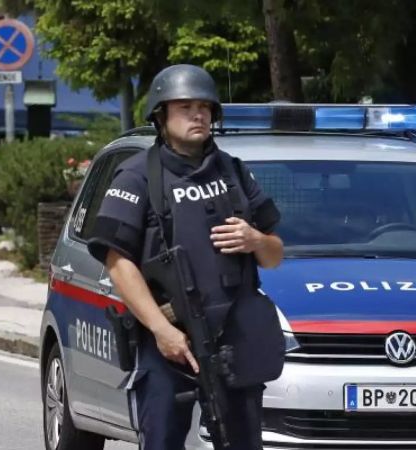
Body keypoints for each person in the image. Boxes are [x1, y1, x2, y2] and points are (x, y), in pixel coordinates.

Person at [86, 64, 286, 450]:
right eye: (185, 107)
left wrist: (256, 239)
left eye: (205, 107)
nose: (198, 115)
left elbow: (275, 255)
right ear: (161, 116)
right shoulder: (136, 177)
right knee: (161, 440)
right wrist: (162, 332)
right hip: (170, 339)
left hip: (234, 337)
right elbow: (117, 263)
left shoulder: (234, 172)